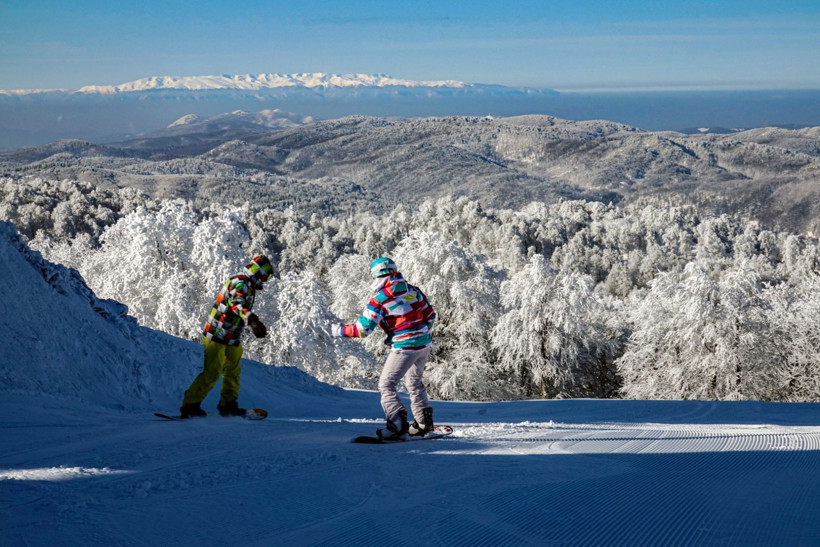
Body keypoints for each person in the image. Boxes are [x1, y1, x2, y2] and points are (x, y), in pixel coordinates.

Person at [331, 257, 437, 439]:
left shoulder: (379, 299)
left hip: (404, 347)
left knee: (386, 384)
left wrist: (338, 330)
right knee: (415, 383)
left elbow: (363, 330)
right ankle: (424, 425)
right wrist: (419, 331)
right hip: (424, 343)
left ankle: (397, 426)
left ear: (375, 275)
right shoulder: (413, 290)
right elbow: (431, 315)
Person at [179, 255, 274, 418]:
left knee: (233, 371)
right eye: (265, 276)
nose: (265, 281)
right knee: (212, 373)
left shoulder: (248, 284)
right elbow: (237, 305)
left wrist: (250, 322)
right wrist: (253, 321)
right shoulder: (240, 283)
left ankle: (228, 405)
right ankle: (190, 405)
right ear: (257, 273)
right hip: (217, 333)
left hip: (231, 336)